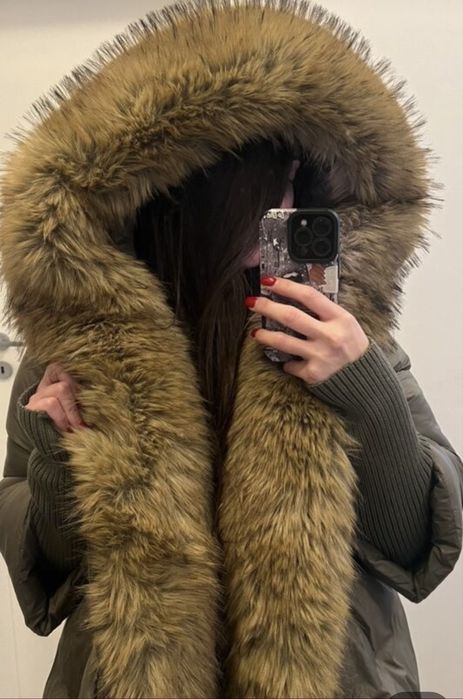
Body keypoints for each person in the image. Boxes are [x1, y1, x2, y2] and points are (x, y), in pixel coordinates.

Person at [0, 2, 462, 698]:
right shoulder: (79, 347)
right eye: (265, 190)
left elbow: (411, 545)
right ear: (191, 199)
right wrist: (64, 456)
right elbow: (54, 571)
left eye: (293, 183)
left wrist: (363, 389)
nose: (287, 208)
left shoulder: (337, 330)